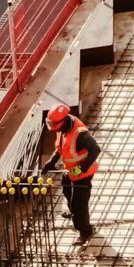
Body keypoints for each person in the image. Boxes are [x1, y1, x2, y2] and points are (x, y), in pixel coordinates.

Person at [45, 104, 101, 245]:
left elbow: (95, 149)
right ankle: (74, 213)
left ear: (62, 121)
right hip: (70, 170)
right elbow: (60, 148)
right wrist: (51, 162)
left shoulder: (80, 133)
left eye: (53, 124)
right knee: (66, 190)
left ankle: (85, 231)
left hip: (83, 172)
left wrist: (82, 168)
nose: (51, 127)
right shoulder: (63, 128)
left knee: (79, 203)